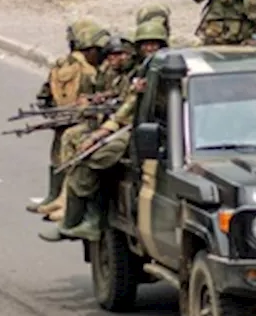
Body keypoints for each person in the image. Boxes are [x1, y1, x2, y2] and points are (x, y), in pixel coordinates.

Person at [40, 17, 170, 242]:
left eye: (155, 44)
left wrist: (102, 132)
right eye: (145, 44)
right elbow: (124, 101)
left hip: (146, 132)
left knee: (93, 157)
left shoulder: (159, 73)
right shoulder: (140, 72)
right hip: (128, 126)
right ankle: (71, 215)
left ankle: (87, 220)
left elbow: (128, 110)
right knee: (78, 146)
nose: (150, 49)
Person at [37, 34, 135, 222]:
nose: (115, 59)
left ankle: (78, 208)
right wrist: (97, 99)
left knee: (90, 152)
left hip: (119, 126)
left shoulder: (135, 75)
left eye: (120, 55)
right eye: (111, 56)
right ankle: (64, 197)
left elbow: (125, 107)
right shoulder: (113, 73)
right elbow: (114, 95)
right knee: (69, 137)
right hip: (108, 121)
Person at [25, 20, 109, 215]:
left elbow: (45, 93)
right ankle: (58, 198)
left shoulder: (63, 65)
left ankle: (59, 199)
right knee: (63, 157)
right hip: (80, 120)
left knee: (62, 157)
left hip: (68, 120)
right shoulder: (93, 70)